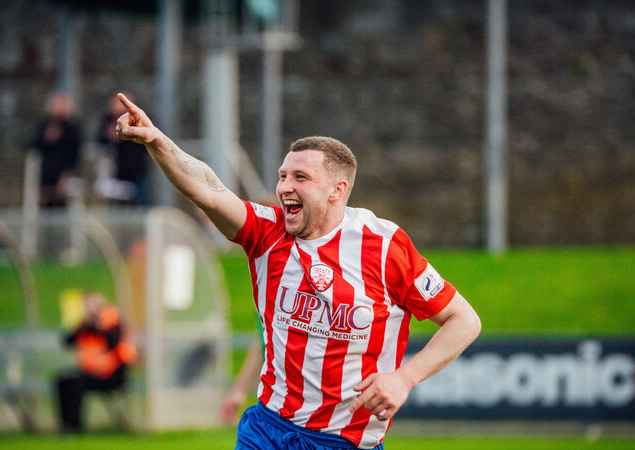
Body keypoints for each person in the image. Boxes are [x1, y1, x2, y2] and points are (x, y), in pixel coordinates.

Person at [115, 93, 481, 449]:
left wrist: (405, 378)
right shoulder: (267, 232)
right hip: (268, 429)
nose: (284, 187)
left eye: (300, 178)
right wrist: (158, 142)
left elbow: (464, 320)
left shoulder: (384, 247)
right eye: (283, 175)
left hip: (344, 441)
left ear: (338, 190)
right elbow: (209, 190)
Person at [55, 292, 136, 433]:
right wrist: (82, 323)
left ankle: (75, 426)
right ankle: (67, 424)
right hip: (90, 373)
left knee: (78, 384)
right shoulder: (85, 325)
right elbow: (68, 341)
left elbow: (115, 343)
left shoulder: (112, 321)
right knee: (63, 381)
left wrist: (99, 325)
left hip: (112, 374)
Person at [31, 92, 82, 208]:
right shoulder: (44, 125)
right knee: (46, 207)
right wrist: (47, 138)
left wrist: (68, 173)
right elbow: (34, 144)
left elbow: (75, 151)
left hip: (66, 176)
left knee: (65, 206)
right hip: (46, 176)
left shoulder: (72, 127)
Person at [96, 93, 149, 205]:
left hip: (136, 169)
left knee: (140, 202)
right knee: (116, 206)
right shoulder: (108, 121)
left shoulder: (138, 119)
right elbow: (101, 140)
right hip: (116, 171)